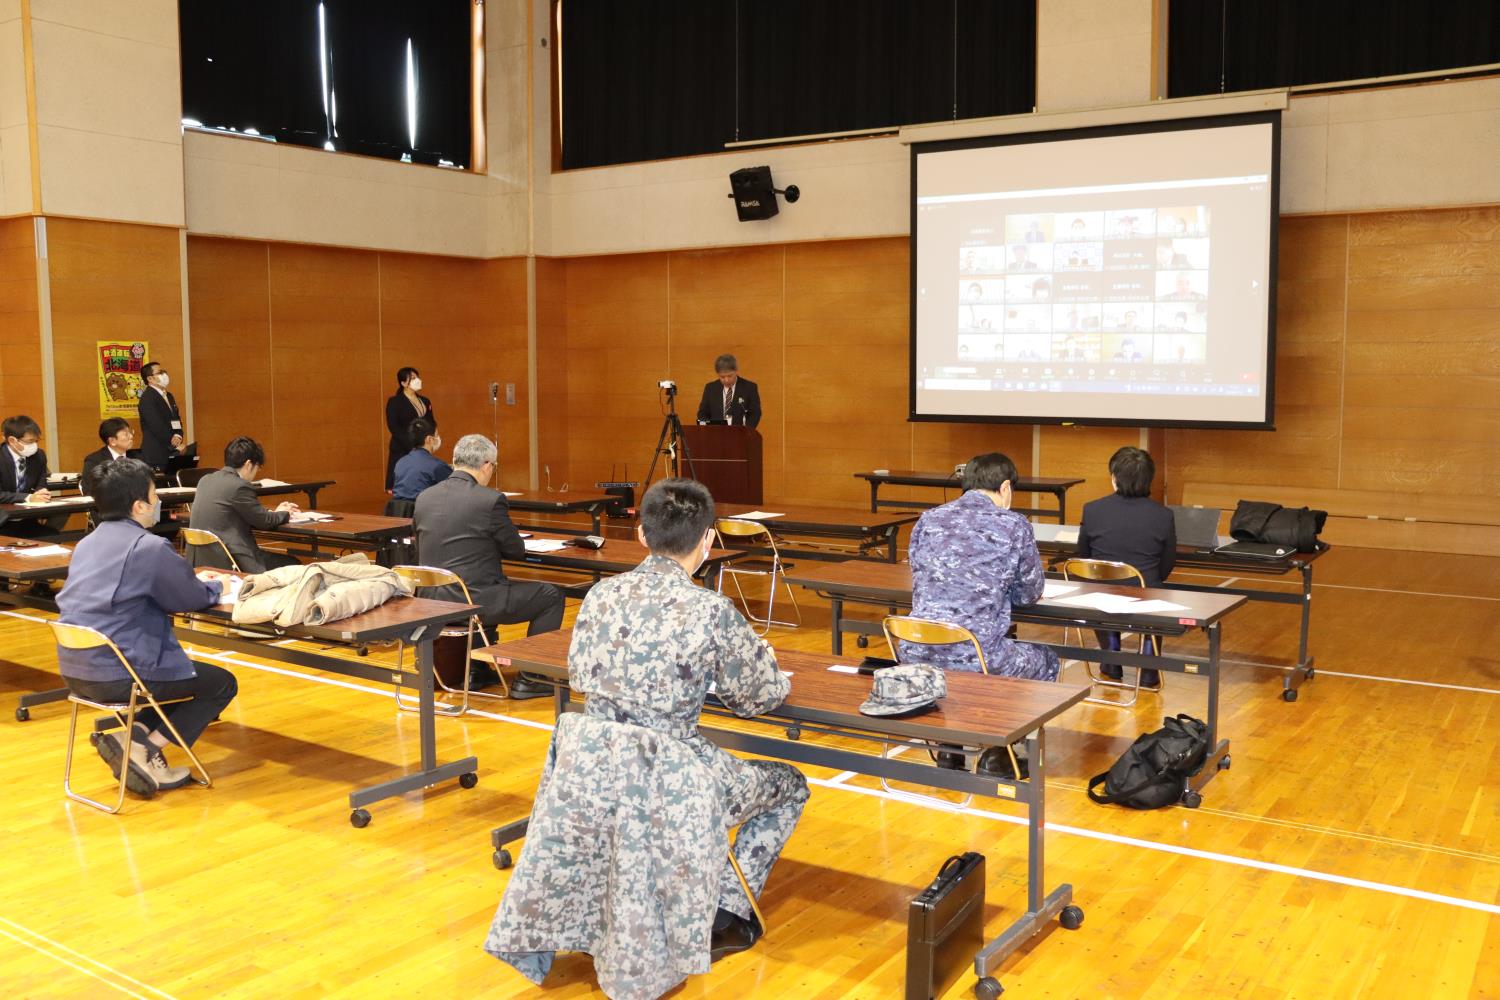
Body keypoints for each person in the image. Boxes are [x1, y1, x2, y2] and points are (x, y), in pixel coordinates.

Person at [568, 478, 807, 956]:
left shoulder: (600, 595)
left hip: (598, 772)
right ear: (708, 540)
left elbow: (578, 675)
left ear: (641, 535)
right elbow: (756, 699)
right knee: (791, 785)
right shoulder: (710, 609)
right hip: (672, 778)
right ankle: (727, 914)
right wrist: (765, 664)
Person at [57, 458, 236, 798]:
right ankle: (148, 748)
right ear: (139, 505)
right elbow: (188, 597)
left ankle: (132, 738)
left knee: (180, 678)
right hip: (120, 673)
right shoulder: (148, 546)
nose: (158, 502)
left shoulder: (85, 545)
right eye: (155, 495)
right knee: (219, 683)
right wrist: (217, 587)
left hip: (77, 669)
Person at [904, 453, 1059, 775]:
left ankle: (950, 750)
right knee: (1045, 660)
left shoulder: (928, 519)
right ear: (1005, 487)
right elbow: (1029, 594)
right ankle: (1003, 754)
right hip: (977, 654)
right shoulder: (1013, 525)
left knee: (958, 661)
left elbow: (920, 576)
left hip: (916, 651)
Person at [413, 434, 564, 697]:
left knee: (485, 579)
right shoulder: (489, 500)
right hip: (474, 601)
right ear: (486, 465)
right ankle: (531, 677)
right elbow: (515, 550)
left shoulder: (424, 497)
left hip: (432, 601)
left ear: (454, 461)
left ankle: (478, 669)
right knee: (551, 595)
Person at [1076, 447, 1176, 687]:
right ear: (1149, 479)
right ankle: (1150, 671)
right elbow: (1168, 560)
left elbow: (1083, 556)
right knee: (1155, 591)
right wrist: (1146, 580)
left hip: (1102, 594)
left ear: (1114, 477)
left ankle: (1111, 661)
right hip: (1146, 594)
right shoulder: (1163, 515)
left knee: (1098, 590)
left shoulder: (1092, 509)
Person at [187, 437, 301, 573]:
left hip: (202, 560)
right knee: (294, 564)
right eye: (257, 467)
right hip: (231, 561)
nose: (256, 473)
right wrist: (286, 513)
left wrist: (274, 512)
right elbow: (264, 521)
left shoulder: (205, 480)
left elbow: (243, 513)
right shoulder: (239, 486)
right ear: (248, 464)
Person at [0, 414, 67, 539]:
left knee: (62, 513)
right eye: (30, 442)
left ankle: (46, 540)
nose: (34, 445)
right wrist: (29, 497)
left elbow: (41, 482)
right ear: (12, 440)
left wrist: (42, 492)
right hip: (3, 519)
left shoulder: (39, 455)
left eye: (36, 441)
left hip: (27, 517)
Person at [385, 367, 435, 491]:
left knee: (421, 483)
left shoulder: (425, 400)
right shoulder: (395, 402)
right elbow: (393, 427)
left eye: (417, 377)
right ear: (403, 383)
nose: (417, 380)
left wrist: (432, 437)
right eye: (412, 378)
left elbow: (431, 421)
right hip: (402, 448)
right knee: (402, 484)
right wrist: (411, 445)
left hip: (422, 448)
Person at [137, 361, 190, 470]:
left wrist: (178, 435)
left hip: (172, 450)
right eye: (160, 372)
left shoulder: (169, 395)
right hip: (156, 452)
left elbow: (176, 419)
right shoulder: (147, 398)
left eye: (164, 371)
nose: (164, 374)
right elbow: (156, 425)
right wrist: (173, 443)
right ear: (150, 379)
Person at [391, 418, 451, 504]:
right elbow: (456, 492)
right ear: (429, 439)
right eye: (436, 435)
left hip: (399, 515)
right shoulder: (437, 466)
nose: (438, 438)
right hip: (426, 515)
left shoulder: (400, 463)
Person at [695, 354, 762, 428]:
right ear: (717, 374)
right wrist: (710, 428)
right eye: (722, 377)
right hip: (716, 435)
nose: (726, 380)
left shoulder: (749, 388)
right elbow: (702, 414)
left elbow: (755, 413)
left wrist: (747, 431)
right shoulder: (710, 388)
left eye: (730, 376)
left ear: (736, 371)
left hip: (741, 435)